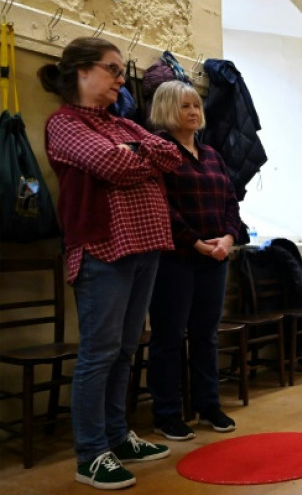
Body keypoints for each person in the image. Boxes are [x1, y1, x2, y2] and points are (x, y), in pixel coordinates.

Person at [38, 37, 182, 490]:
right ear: (82, 72)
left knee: (125, 349)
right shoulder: (64, 123)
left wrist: (133, 153)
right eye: (113, 70)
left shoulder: (122, 122)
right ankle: (91, 453)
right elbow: (110, 165)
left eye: (122, 71)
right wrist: (136, 157)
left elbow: (172, 155)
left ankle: (119, 437)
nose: (121, 80)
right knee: (98, 355)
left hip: (144, 246)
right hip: (103, 250)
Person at [146, 80, 242, 441]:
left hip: (216, 257)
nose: (193, 112)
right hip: (176, 259)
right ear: (167, 109)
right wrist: (197, 242)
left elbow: (230, 201)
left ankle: (208, 405)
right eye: (185, 106)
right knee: (169, 337)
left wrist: (229, 237)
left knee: (205, 335)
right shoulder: (160, 152)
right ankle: (166, 412)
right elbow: (161, 206)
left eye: (196, 106)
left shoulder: (213, 154)